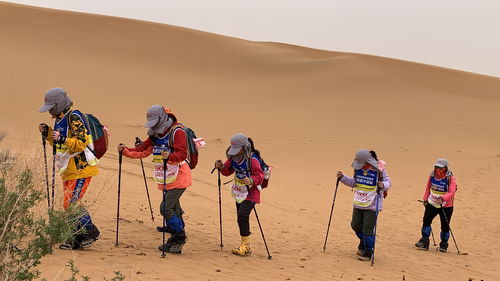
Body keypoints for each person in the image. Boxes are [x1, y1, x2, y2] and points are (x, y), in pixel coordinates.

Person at [118, 105, 191, 254]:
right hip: (166, 177)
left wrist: (169, 157)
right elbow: (143, 150)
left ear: (162, 118)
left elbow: (182, 154)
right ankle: (175, 237)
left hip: (180, 176)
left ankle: (179, 237)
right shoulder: (155, 134)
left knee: (165, 208)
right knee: (174, 209)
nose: (154, 125)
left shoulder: (177, 132)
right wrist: (125, 150)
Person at [38, 87, 101, 250]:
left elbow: (81, 143)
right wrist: (48, 133)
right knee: (68, 203)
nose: (50, 110)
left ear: (58, 104)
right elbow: (59, 142)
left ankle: (90, 232)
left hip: (81, 168)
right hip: (68, 169)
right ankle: (76, 237)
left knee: (71, 203)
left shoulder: (75, 117)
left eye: (52, 106)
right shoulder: (59, 119)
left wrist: (63, 138)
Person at [337, 149, 391, 261]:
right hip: (358, 202)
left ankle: (368, 251)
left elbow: (388, 183)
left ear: (368, 161)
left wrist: (383, 185)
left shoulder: (379, 170)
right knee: (355, 225)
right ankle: (364, 242)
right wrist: (342, 178)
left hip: (373, 204)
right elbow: (354, 183)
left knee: (367, 228)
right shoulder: (358, 170)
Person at [214, 133, 264, 256]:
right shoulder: (233, 158)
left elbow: (260, 176)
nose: (235, 153)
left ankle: (246, 246)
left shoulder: (252, 160)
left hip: (252, 193)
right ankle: (245, 244)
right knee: (240, 217)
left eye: (238, 150)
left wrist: (251, 180)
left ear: (245, 147)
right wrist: (221, 167)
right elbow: (227, 172)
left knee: (242, 215)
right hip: (239, 191)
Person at [415, 158, 457, 252]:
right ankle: (424, 241)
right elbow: (428, 188)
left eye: (440, 168)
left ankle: (443, 245)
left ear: (445, 168)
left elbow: (451, 192)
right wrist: (425, 199)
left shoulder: (450, 178)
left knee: (445, 225)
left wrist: (442, 198)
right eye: (436, 167)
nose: (438, 169)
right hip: (432, 203)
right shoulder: (432, 175)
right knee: (426, 220)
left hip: (446, 206)